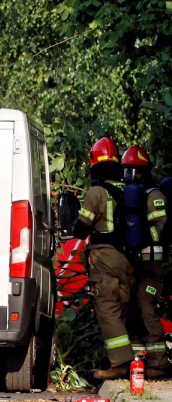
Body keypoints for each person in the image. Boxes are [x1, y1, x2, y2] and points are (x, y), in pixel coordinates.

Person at [73, 137, 134, 379]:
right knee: (122, 308)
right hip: (128, 258)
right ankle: (134, 360)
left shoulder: (96, 192)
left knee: (107, 309)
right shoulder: (128, 190)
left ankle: (120, 363)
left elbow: (81, 228)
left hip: (104, 257)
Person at [122, 146, 168, 376]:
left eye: (135, 170)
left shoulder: (154, 195)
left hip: (152, 265)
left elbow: (162, 227)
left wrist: (142, 236)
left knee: (146, 307)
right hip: (136, 264)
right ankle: (138, 360)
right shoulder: (131, 196)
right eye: (127, 170)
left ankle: (159, 362)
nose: (130, 175)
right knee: (133, 309)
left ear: (144, 171)